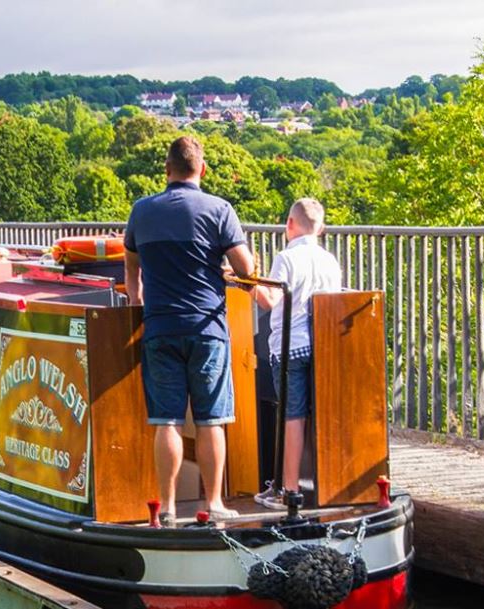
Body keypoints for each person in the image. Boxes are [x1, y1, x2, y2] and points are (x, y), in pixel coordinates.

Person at [124, 136, 257, 526]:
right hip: (207, 327)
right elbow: (246, 269)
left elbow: (131, 268)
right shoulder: (219, 209)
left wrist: (137, 304)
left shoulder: (141, 211)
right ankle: (213, 503)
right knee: (210, 419)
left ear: (166, 170)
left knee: (165, 420)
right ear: (202, 170)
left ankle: (166, 507)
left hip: (160, 325)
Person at [252, 198, 342, 510]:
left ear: (289, 225)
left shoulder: (286, 258)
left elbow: (270, 301)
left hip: (289, 347)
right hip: (322, 346)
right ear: (322, 228)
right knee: (316, 416)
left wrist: (249, 282)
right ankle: (328, 484)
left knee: (291, 417)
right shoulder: (330, 261)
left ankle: (288, 490)